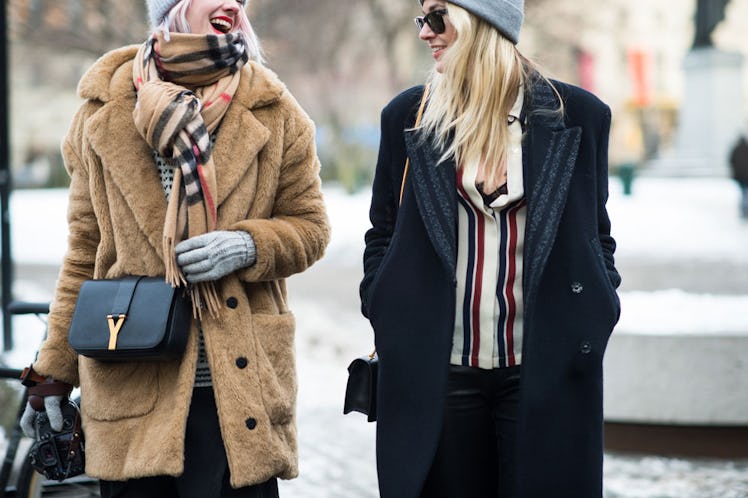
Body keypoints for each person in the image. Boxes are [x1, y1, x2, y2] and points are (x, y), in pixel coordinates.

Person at [19, 0, 329, 496]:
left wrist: (248, 245)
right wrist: (52, 372)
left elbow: (311, 228)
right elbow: (84, 252)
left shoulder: (276, 111)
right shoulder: (100, 114)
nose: (232, 3)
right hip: (131, 385)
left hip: (237, 394)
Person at [359, 1, 621, 497]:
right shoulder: (407, 117)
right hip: (438, 370)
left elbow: (597, 235)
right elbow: (382, 235)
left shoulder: (580, 118)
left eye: (437, 15)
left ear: (485, 21)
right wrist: (383, 303)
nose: (424, 32)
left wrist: (599, 306)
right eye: (421, 18)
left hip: (544, 372)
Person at [729, 134, 748, 218]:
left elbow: (731, 160)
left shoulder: (736, 149)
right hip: (745, 175)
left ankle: (744, 208)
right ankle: (745, 208)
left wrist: (735, 170)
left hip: (740, 175)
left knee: (743, 192)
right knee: (745, 192)